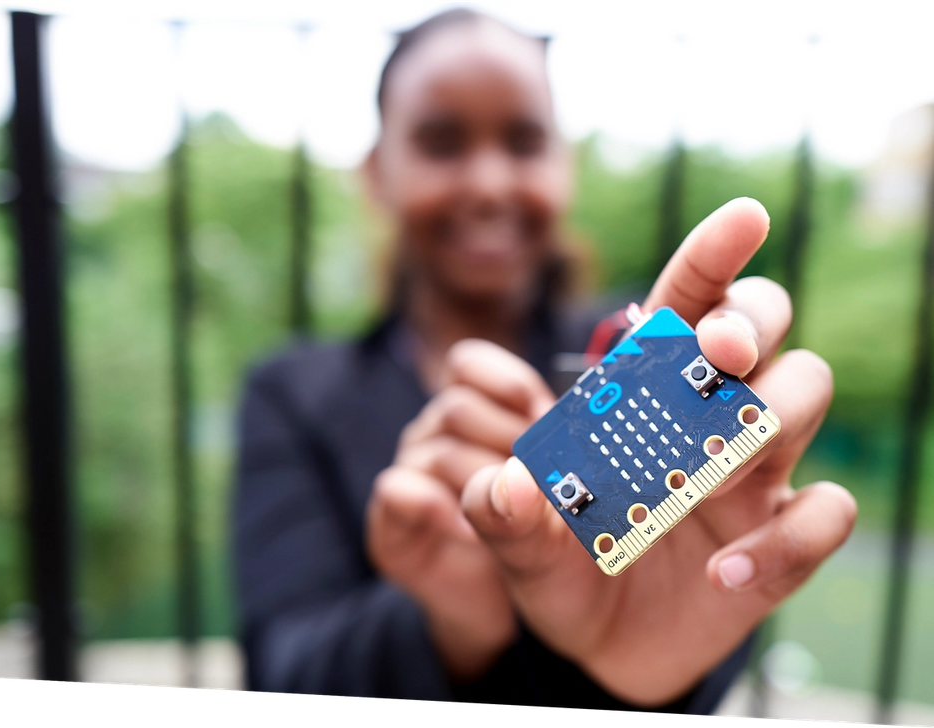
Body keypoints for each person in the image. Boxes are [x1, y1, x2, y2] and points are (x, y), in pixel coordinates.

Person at [232, 8, 857, 712]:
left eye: (524, 141)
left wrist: (638, 666)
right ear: (377, 172)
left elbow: (691, 620)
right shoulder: (290, 392)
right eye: (441, 142)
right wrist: (451, 622)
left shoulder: (652, 355)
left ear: (564, 162)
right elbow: (280, 659)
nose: (490, 183)